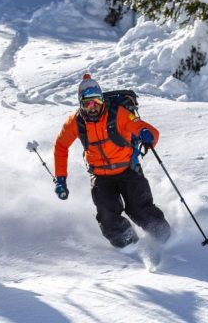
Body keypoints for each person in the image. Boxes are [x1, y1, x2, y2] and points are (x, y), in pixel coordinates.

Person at [53, 73, 171, 249]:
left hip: (128, 170)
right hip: (101, 176)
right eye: (87, 103)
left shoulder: (119, 114)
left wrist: (148, 135)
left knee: (140, 209)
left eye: (97, 101)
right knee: (108, 217)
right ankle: (132, 248)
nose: (93, 107)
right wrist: (60, 179)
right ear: (81, 104)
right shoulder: (75, 122)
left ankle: (168, 242)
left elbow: (147, 130)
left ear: (102, 99)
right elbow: (61, 147)